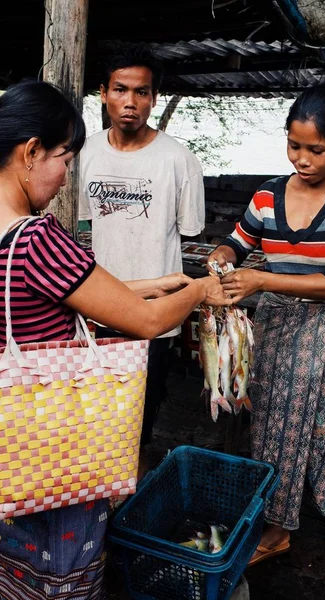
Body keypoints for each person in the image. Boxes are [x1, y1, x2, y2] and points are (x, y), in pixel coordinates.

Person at [0, 80, 229, 600]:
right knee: (59, 565)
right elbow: (145, 324)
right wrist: (197, 289)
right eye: (63, 158)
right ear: (31, 152)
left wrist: (153, 283)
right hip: (51, 440)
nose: (65, 177)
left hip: (6, 436)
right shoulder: (35, 236)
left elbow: (64, 290)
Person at [207, 85, 325, 577]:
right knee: (274, 430)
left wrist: (262, 278)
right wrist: (222, 258)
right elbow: (237, 243)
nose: (302, 159)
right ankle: (278, 527)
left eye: (316, 149)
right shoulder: (268, 195)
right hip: (278, 329)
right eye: (294, 145)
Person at [79, 42, 206, 456]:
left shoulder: (178, 159)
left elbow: (190, 229)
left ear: (154, 98)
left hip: (154, 313)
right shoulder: (85, 153)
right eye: (120, 90)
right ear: (103, 93)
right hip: (94, 305)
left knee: (139, 418)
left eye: (141, 92)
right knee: (90, 414)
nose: (129, 102)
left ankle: (128, 493)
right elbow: (80, 224)